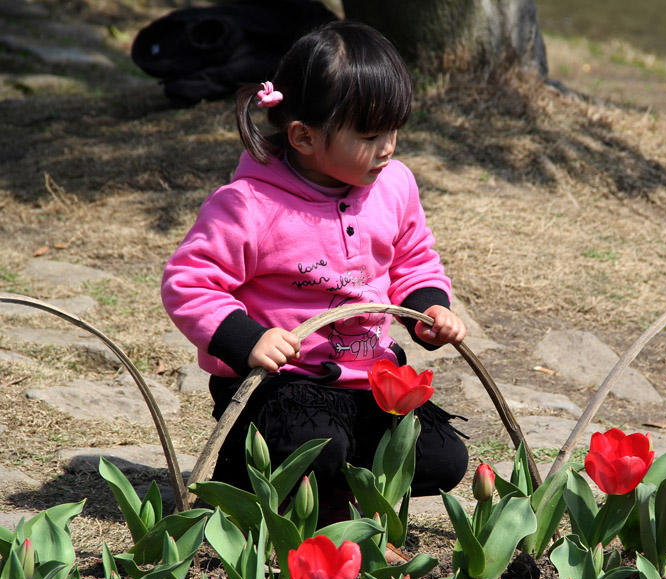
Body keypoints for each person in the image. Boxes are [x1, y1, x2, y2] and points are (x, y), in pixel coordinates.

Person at [161, 21, 469, 521]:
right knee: (313, 445)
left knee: (441, 458)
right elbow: (189, 282)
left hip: (368, 377)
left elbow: (413, 258)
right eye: (370, 135)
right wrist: (248, 339)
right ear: (303, 136)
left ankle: (331, 487)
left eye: (394, 130)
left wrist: (426, 309)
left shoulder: (393, 186)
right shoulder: (250, 205)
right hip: (280, 384)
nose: (388, 147)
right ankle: (254, 471)